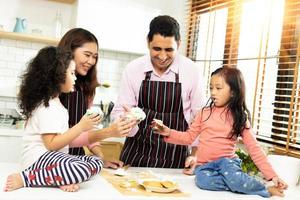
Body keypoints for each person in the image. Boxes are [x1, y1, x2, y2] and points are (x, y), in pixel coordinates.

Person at [151, 67, 288, 197]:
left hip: (228, 163)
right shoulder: (204, 113)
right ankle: (239, 183)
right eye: (211, 88)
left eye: (218, 88)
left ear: (233, 92)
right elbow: (188, 137)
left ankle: (263, 188)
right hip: (205, 166)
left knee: (233, 176)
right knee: (202, 182)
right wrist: (167, 131)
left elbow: (254, 149)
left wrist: (272, 176)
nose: (213, 92)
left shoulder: (239, 117)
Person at [111, 15, 205, 170]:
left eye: (169, 50)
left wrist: (195, 154)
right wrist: (125, 120)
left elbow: (200, 119)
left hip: (176, 157)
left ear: (179, 44)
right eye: (157, 49)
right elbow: (119, 112)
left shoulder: (192, 71)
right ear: (148, 43)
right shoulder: (133, 69)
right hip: (135, 155)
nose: (162, 56)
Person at [4, 46, 102, 192]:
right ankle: (25, 178)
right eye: (72, 73)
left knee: (96, 161)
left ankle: (60, 177)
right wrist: (81, 126)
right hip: (37, 160)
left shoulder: (56, 104)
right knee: (81, 169)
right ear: (57, 76)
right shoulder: (47, 106)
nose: (75, 78)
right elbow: (51, 145)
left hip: (53, 160)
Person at [58, 28, 133, 169]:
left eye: (95, 57)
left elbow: (85, 131)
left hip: (74, 163)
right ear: (70, 51)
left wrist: (100, 158)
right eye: (87, 55)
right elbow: (56, 140)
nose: (91, 61)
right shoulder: (54, 88)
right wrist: (109, 131)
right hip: (51, 162)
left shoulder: (86, 88)